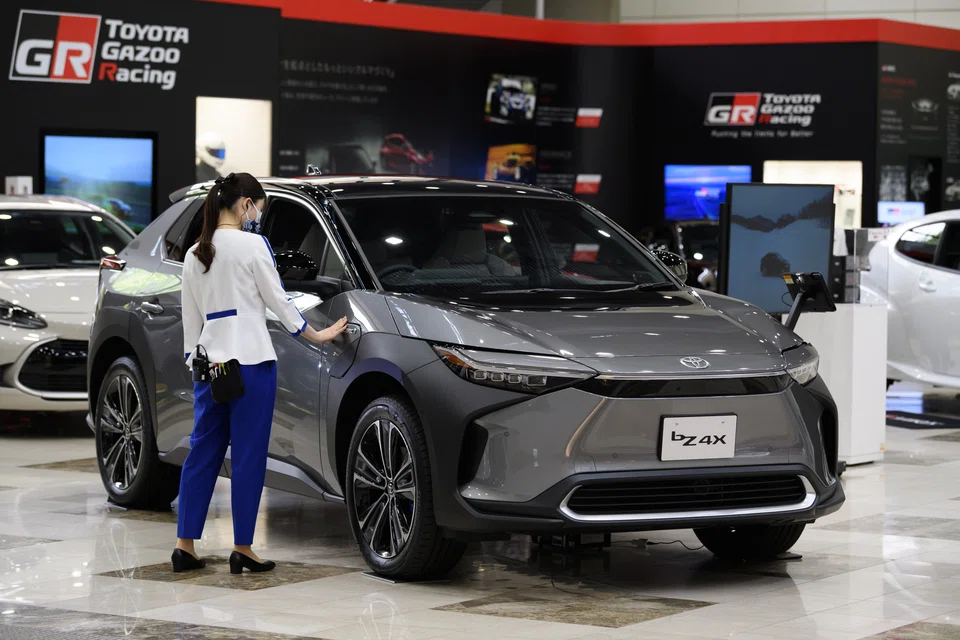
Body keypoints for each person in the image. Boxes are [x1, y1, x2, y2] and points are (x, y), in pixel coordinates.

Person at [172, 172, 348, 574]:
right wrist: (316, 333)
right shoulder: (254, 246)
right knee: (249, 456)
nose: (257, 217)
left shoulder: (195, 252)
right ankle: (242, 548)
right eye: (258, 209)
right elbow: (279, 301)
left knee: (203, 452)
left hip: (210, 366)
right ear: (245, 204)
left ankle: (185, 546)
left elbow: (190, 322)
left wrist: (195, 362)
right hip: (252, 363)